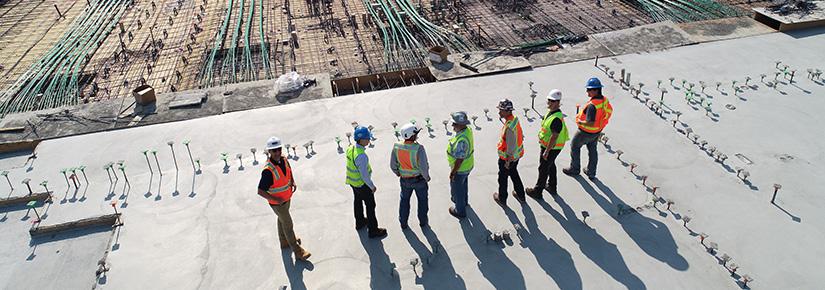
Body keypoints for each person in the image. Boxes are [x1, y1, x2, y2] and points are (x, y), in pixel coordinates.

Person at [257, 136, 311, 261]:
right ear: (269, 152)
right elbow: (260, 191)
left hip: (287, 198)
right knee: (288, 224)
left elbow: (289, 171)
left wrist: (293, 181)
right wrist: (276, 200)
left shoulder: (284, 160)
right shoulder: (268, 171)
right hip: (278, 203)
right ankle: (298, 251)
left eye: (279, 149)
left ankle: (284, 242)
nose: (277, 153)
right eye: (274, 150)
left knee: (282, 220)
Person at [563, 77, 613, 179]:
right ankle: (591, 172)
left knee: (575, 146)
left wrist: (579, 121)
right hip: (597, 132)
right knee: (592, 150)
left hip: (585, 132)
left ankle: (575, 169)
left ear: (596, 90)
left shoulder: (592, 106)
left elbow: (590, 122)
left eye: (589, 89)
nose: (587, 92)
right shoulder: (604, 101)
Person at [346, 126, 388, 238]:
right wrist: (372, 186)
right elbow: (364, 175)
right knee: (370, 206)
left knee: (357, 201)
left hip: (353, 182)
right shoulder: (361, 156)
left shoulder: (351, 148)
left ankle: (359, 222)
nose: (369, 140)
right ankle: (373, 230)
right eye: (367, 138)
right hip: (362, 185)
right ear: (362, 140)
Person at [526, 89, 569, 199]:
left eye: (552, 101)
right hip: (550, 147)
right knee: (550, 165)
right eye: (549, 100)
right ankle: (552, 186)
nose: (549, 103)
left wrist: (547, 151)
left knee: (543, 168)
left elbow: (554, 137)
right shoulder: (552, 113)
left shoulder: (556, 119)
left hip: (551, 147)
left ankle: (538, 191)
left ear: (558, 102)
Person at [390, 123, 431, 229]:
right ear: (411, 136)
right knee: (422, 201)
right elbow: (423, 166)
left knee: (404, 201)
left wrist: (397, 172)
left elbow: (393, 164)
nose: (417, 135)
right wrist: (426, 177)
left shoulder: (397, 146)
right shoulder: (419, 148)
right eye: (416, 134)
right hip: (419, 180)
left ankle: (403, 222)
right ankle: (423, 222)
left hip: (404, 180)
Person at [493, 99, 526, 205]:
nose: (499, 112)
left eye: (501, 110)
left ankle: (502, 198)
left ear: (507, 111)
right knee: (514, 173)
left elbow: (510, 146)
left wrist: (507, 162)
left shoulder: (509, 127)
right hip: (517, 156)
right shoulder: (514, 120)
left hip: (508, 159)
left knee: (502, 178)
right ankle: (521, 195)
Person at [447, 111, 474, 219]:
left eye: (455, 124)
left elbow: (459, 159)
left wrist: (453, 172)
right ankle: (464, 202)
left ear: (461, 125)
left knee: (458, 189)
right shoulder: (468, 130)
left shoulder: (461, 140)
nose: (452, 126)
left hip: (460, 169)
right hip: (468, 166)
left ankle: (460, 210)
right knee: (463, 185)